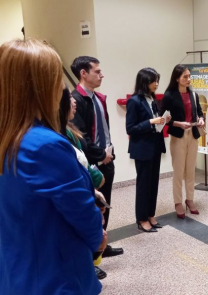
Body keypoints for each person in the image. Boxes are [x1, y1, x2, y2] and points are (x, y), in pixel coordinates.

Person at [0, 39, 103, 294]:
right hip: (56, 276)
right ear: (39, 86)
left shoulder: (9, 138)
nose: (62, 87)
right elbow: (80, 211)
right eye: (57, 77)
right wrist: (98, 237)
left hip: (17, 268)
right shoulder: (44, 146)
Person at [71, 56, 124, 257]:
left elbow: (105, 130)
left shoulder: (99, 98)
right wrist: (101, 155)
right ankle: (92, 255)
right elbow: (81, 136)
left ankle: (102, 246)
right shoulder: (76, 100)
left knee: (105, 204)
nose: (102, 74)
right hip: (92, 163)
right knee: (93, 208)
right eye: (97, 71)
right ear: (83, 73)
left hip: (107, 160)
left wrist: (109, 153)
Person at [59, 85, 109, 279]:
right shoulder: (55, 138)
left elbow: (83, 161)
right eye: (66, 97)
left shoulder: (68, 129)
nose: (73, 101)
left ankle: (92, 260)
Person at [126, 68, 168, 232]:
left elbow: (155, 122)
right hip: (142, 148)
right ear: (144, 81)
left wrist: (163, 120)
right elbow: (131, 128)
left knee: (153, 183)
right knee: (143, 184)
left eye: (158, 80)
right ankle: (141, 218)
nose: (157, 84)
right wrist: (151, 121)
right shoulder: (135, 101)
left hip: (155, 145)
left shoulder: (153, 99)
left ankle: (150, 214)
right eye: (154, 81)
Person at [161, 65, 204, 218]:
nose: (188, 79)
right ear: (177, 78)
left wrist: (201, 119)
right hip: (178, 136)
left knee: (191, 170)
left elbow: (199, 111)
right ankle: (178, 202)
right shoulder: (169, 95)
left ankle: (190, 199)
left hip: (192, 134)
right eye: (185, 76)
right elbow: (163, 119)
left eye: (189, 76)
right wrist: (179, 123)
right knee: (179, 171)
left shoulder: (193, 94)